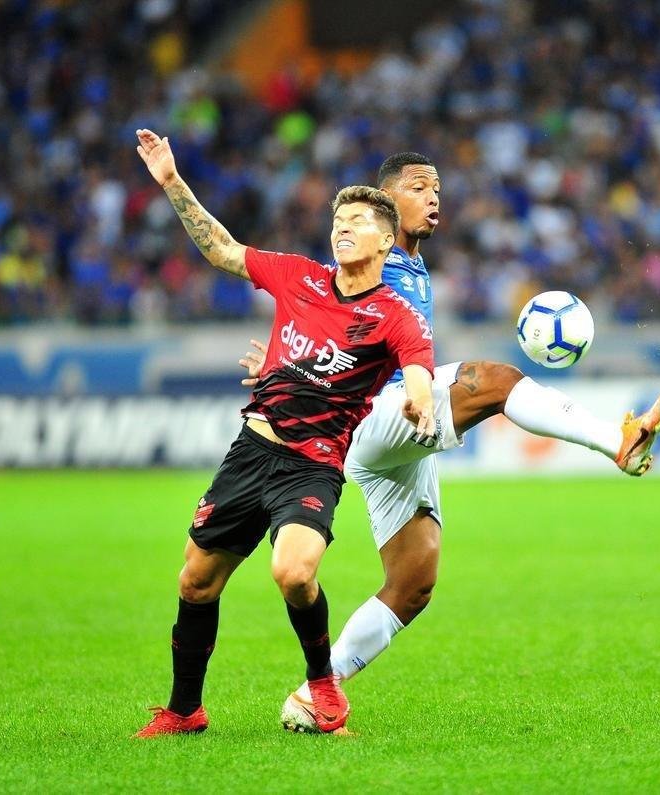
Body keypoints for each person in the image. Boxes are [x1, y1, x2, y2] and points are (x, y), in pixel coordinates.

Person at [237, 153, 660, 731]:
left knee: (413, 583)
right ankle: (615, 441)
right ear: (385, 206)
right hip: (376, 414)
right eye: (420, 187)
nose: (434, 197)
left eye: (437, 187)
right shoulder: (370, 256)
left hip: (398, 431)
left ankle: (316, 692)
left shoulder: (416, 267)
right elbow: (321, 306)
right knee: (494, 381)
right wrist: (282, 364)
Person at [130, 129, 437, 737]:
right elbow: (222, 249)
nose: (341, 229)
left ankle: (323, 686)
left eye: (355, 221)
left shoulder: (393, 315)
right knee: (195, 582)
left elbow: (419, 368)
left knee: (294, 573)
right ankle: (185, 711)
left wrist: (420, 404)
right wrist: (170, 181)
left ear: (384, 236)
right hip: (251, 451)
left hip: (311, 465)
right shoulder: (298, 276)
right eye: (337, 221)